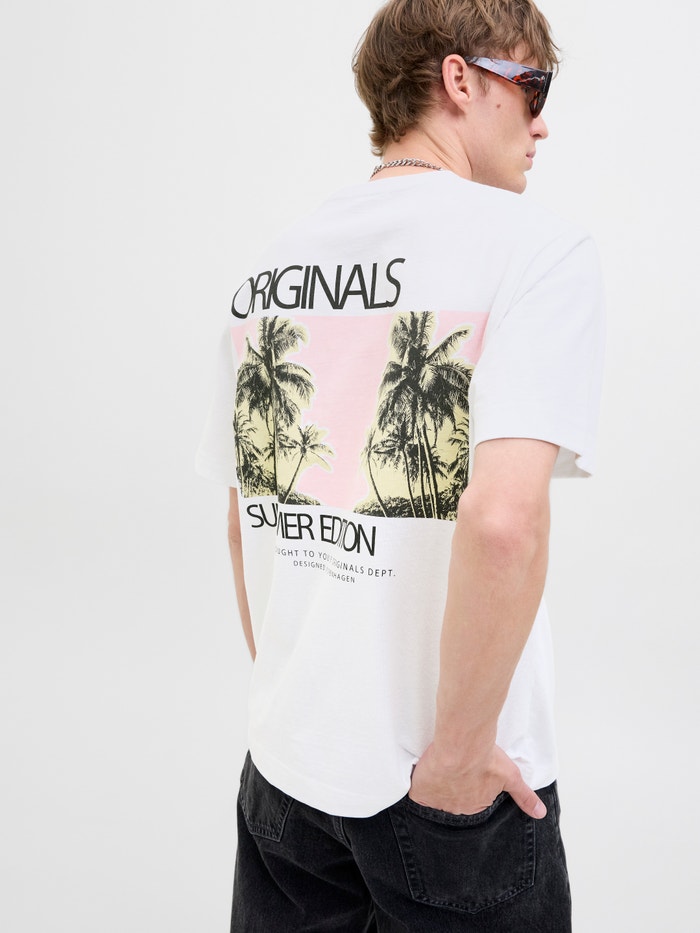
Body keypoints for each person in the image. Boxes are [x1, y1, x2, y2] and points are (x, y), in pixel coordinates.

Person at [196, 0, 605, 928]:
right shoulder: (536, 251)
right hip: (445, 793)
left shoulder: (270, 267)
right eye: (532, 87)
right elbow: (503, 524)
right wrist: (457, 760)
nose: (541, 122)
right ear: (460, 79)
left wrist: (302, 705)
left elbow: (243, 521)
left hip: (286, 771)